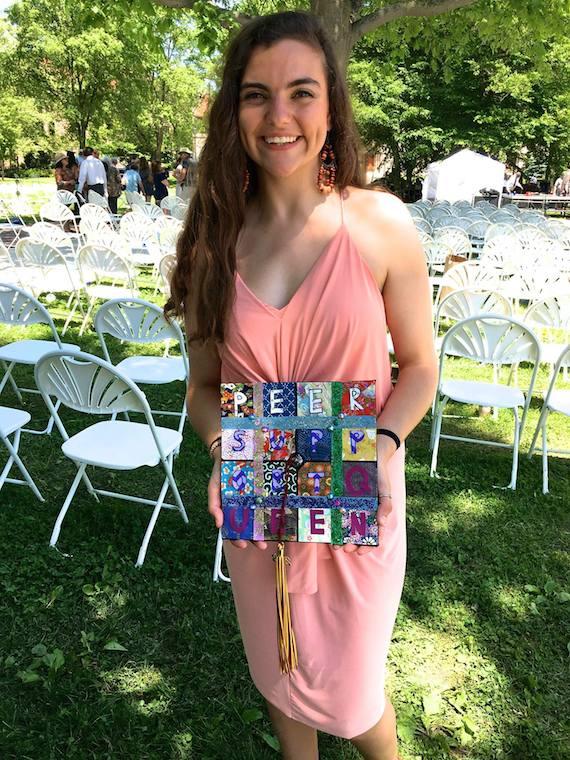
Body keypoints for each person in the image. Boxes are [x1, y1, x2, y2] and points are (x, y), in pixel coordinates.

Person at [165, 12, 437, 760]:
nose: (279, 116)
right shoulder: (215, 241)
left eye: (301, 92)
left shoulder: (378, 223)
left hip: (360, 496)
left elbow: (419, 369)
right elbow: (202, 386)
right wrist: (223, 444)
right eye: (257, 95)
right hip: (261, 493)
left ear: (331, 106)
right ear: (233, 111)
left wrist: (383, 443)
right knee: (278, 674)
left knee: (352, 698)